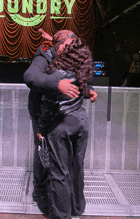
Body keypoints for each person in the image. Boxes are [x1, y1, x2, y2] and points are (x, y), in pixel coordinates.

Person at [24, 29, 97, 219]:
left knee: (67, 166)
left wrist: (88, 90)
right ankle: (40, 193)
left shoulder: (71, 53)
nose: (69, 50)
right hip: (44, 112)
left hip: (65, 115)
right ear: (57, 46)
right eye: (65, 47)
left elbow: (79, 78)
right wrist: (56, 85)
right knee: (43, 154)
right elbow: (31, 77)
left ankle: (66, 205)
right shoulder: (45, 54)